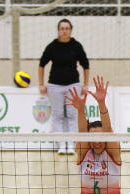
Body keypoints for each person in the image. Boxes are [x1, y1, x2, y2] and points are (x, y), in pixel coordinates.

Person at [38, 18, 90, 155]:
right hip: (54, 86)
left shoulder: (77, 46)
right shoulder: (52, 46)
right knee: (58, 116)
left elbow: (86, 65)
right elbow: (41, 64)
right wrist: (41, 84)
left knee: (73, 115)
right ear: (58, 30)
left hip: (73, 85)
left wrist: (86, 84)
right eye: (62, 28)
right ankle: (61, 145)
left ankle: (71, 145)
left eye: (67, 28)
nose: (64, 31)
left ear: (71, 30)